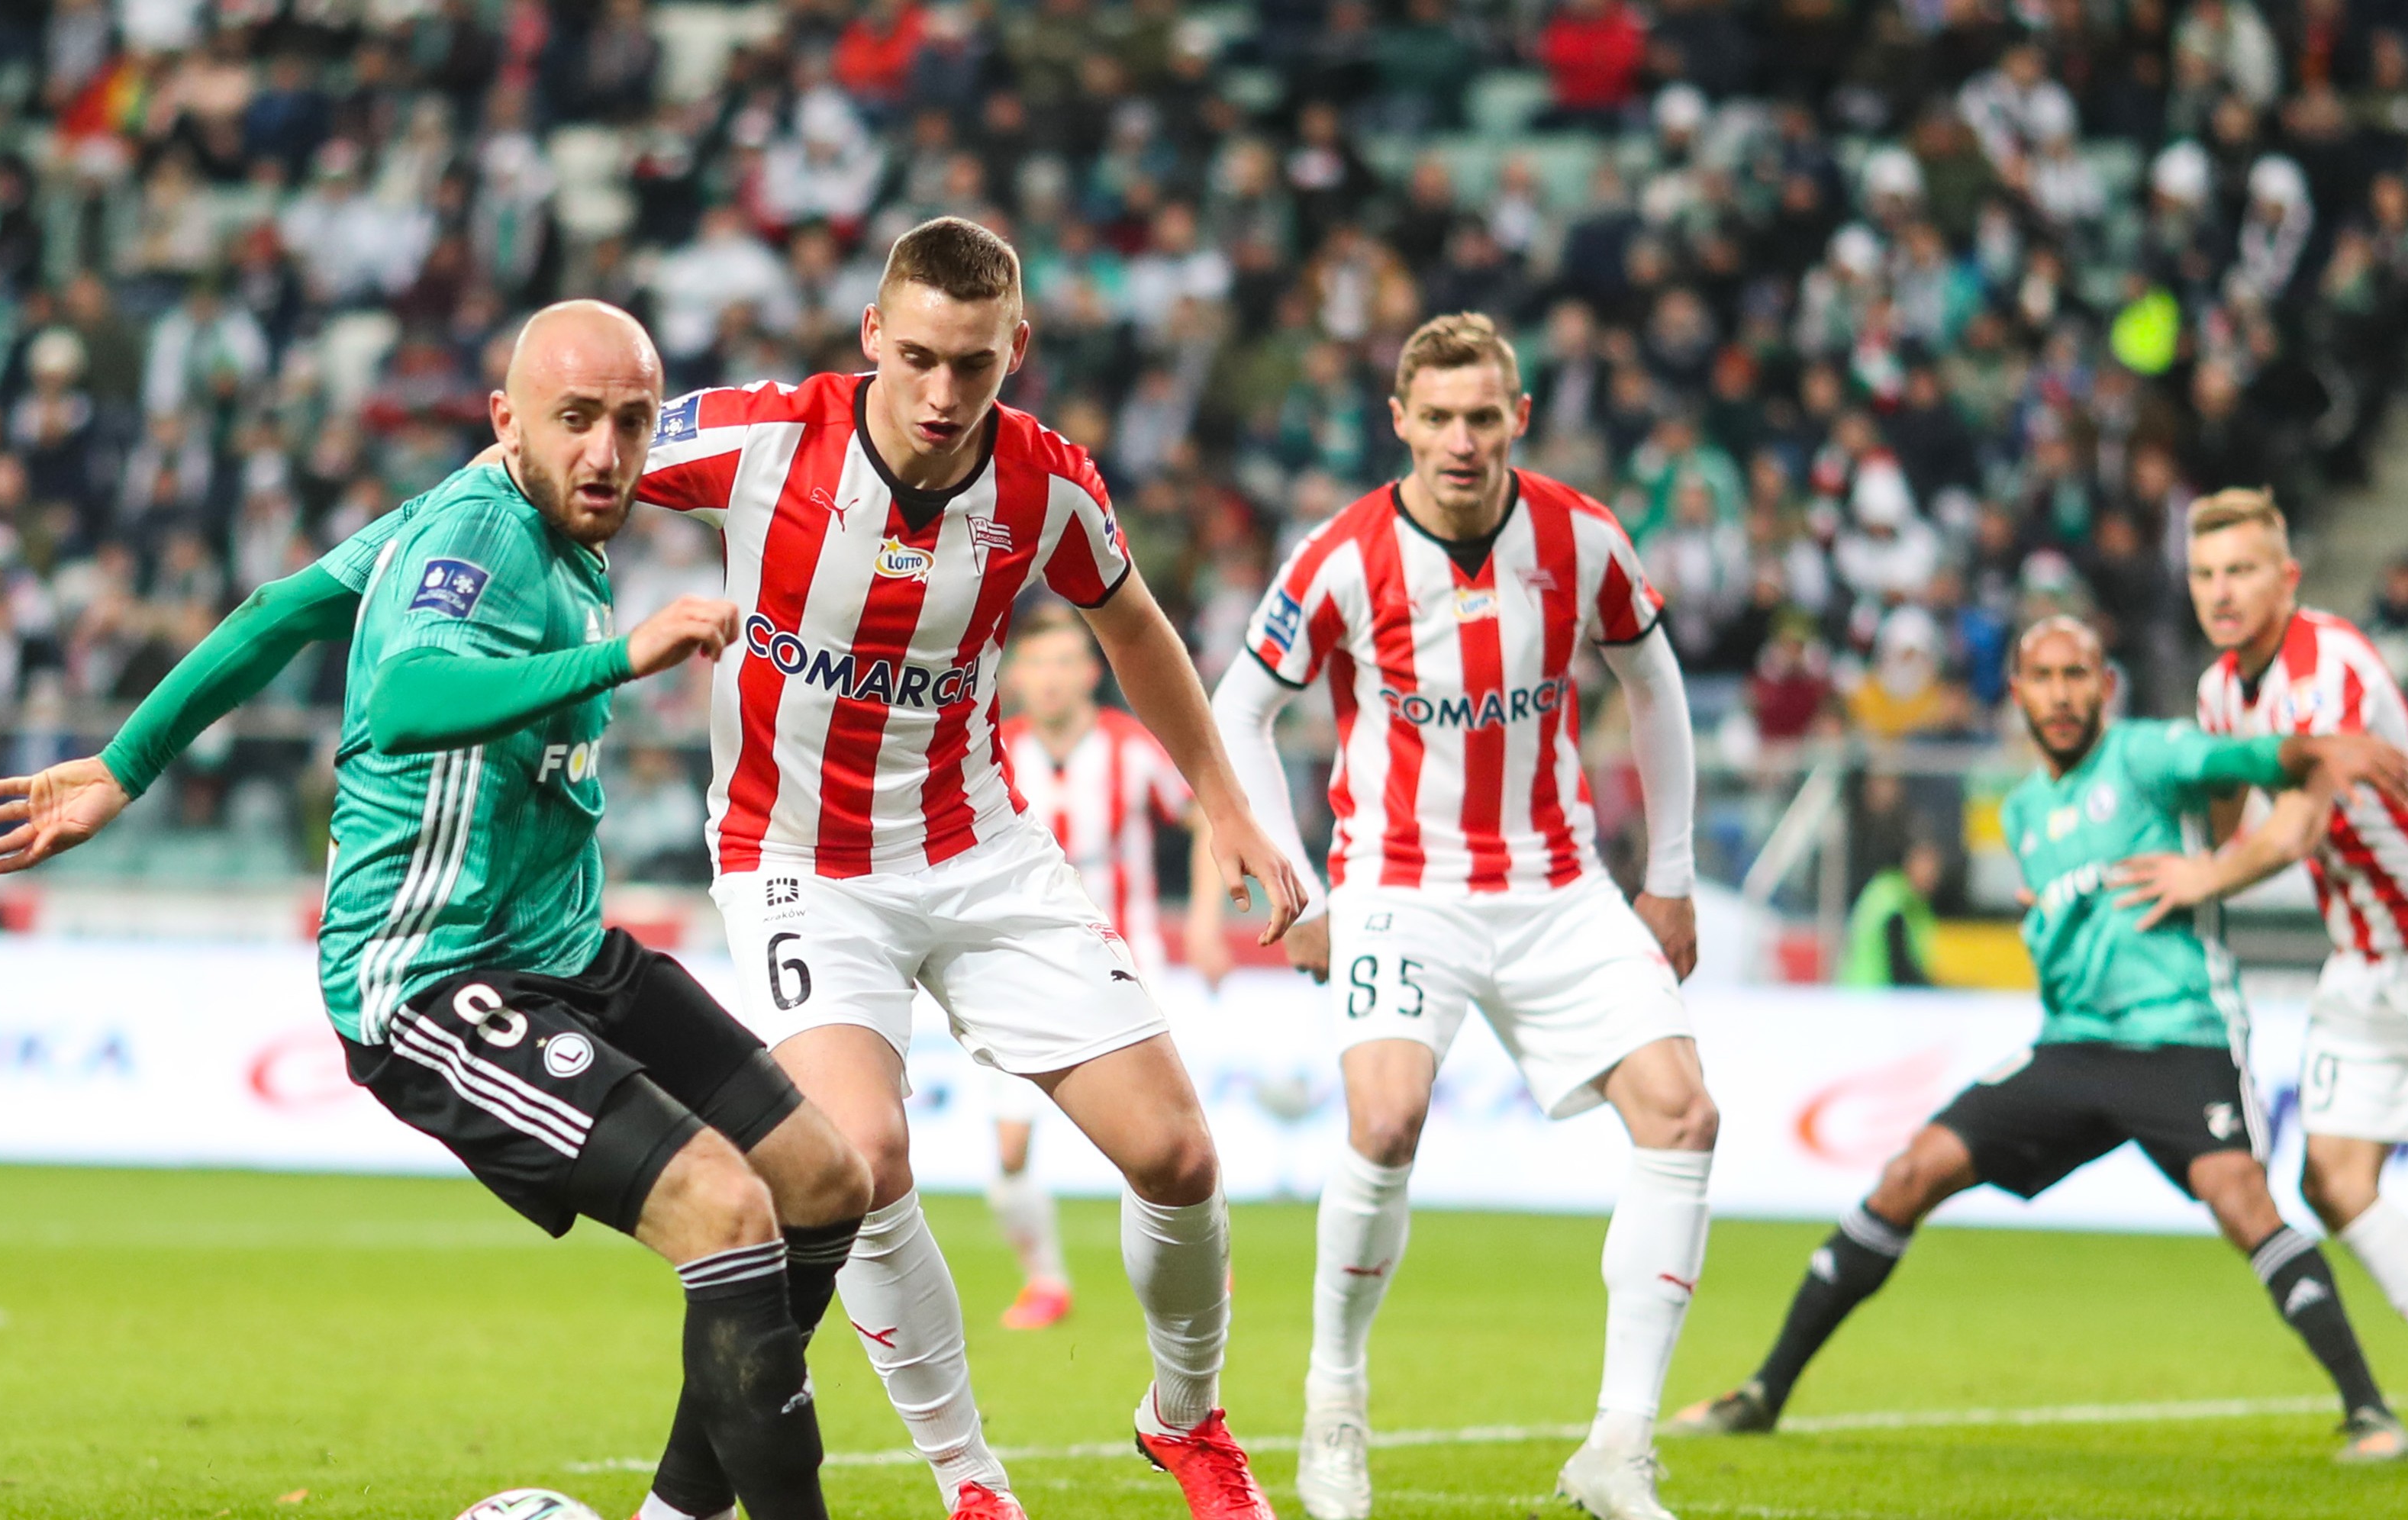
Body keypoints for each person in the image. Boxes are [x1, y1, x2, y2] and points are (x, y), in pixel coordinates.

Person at [0, 302, 875, 1520]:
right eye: (575, 421)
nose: (606, 453)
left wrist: (125, 764)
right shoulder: (476, 531)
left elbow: (280, 609)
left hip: (561, 948)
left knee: (821, 1179)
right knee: (721, 1207)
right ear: (507, 420)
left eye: (629, 423)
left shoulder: (518, 519)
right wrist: (625, 656)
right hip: (433, 976)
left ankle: (678, 1512)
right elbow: (403, 700)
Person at [627, 216, 1304, 1520]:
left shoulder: (1046, 484)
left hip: (975, 847)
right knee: (859, 1155)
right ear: (872, 334)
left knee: (1175, 1154)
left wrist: (1220, 802)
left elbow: (1134, 628)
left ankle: (1185, 1420)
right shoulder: (763, 436)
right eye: (919, 357)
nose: (943, 393)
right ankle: (969, 1479)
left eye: (975, 365)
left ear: (1016, 349)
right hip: (795, 861)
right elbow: (556, 463)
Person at [1666, 616, 2408, 1463]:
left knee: (2240, 1198)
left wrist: (2322, 750)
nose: (2061, 695)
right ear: (2017, 693)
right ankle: (1763, 1392)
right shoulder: (2025, 811)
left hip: (2179, 1034)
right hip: (2071, 1046)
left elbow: (2248, 758)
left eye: (2077, 676)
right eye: (2044, 678)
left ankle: (2371, 1413)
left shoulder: (2145, 755)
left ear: (2105, 685)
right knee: (1910, 1173)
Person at [1210, 312, 1714, 1520]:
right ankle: (1334, 1403)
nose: (1459, 441)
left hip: (1557, 883)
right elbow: (1237, 711)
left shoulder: (1580, 536)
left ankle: (1617, 1446)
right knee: (1384, 1122)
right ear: (1398, 421)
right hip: (1400, 883)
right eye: (1435, 418)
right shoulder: (1340, 556)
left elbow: (1654, 686)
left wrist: (1670, 873)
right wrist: (1291, 882)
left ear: (1517, 418)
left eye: (1481, 417)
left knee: (1682, 1114)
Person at [2136, 488, 2408, 1455]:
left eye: (2242, 571)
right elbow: (2227, 811)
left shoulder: (2331, 664)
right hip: (2363, 952)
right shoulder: (2218, 692)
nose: (2221, 592)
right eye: (2205, 574)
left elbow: (2295, 827)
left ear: (2288, 577)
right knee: (2335, 1179)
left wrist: (2203, 876)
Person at [982, 601, 1227, 1331]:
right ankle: (1045, 1281)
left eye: (1065, 662)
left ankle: (1201, 1260)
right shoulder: (991, 750)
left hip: (1127, 967)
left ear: (1091, 672)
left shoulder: (1129, 746)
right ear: (1014, 676)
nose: (1051, 678)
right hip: (1017, 969)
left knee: (1165, 1138)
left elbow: (1206, 817)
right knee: (1010, 1147)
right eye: (1037, 664)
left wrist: (1206, 923)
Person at [1837, 839, 1943, 988]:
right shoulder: (1893, 898)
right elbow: (1899, 961)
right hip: (1872, 989)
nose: (1931, 877)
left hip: (1876, 990)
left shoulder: (1916, 902)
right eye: (1927, 870)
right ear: (1910, 865)